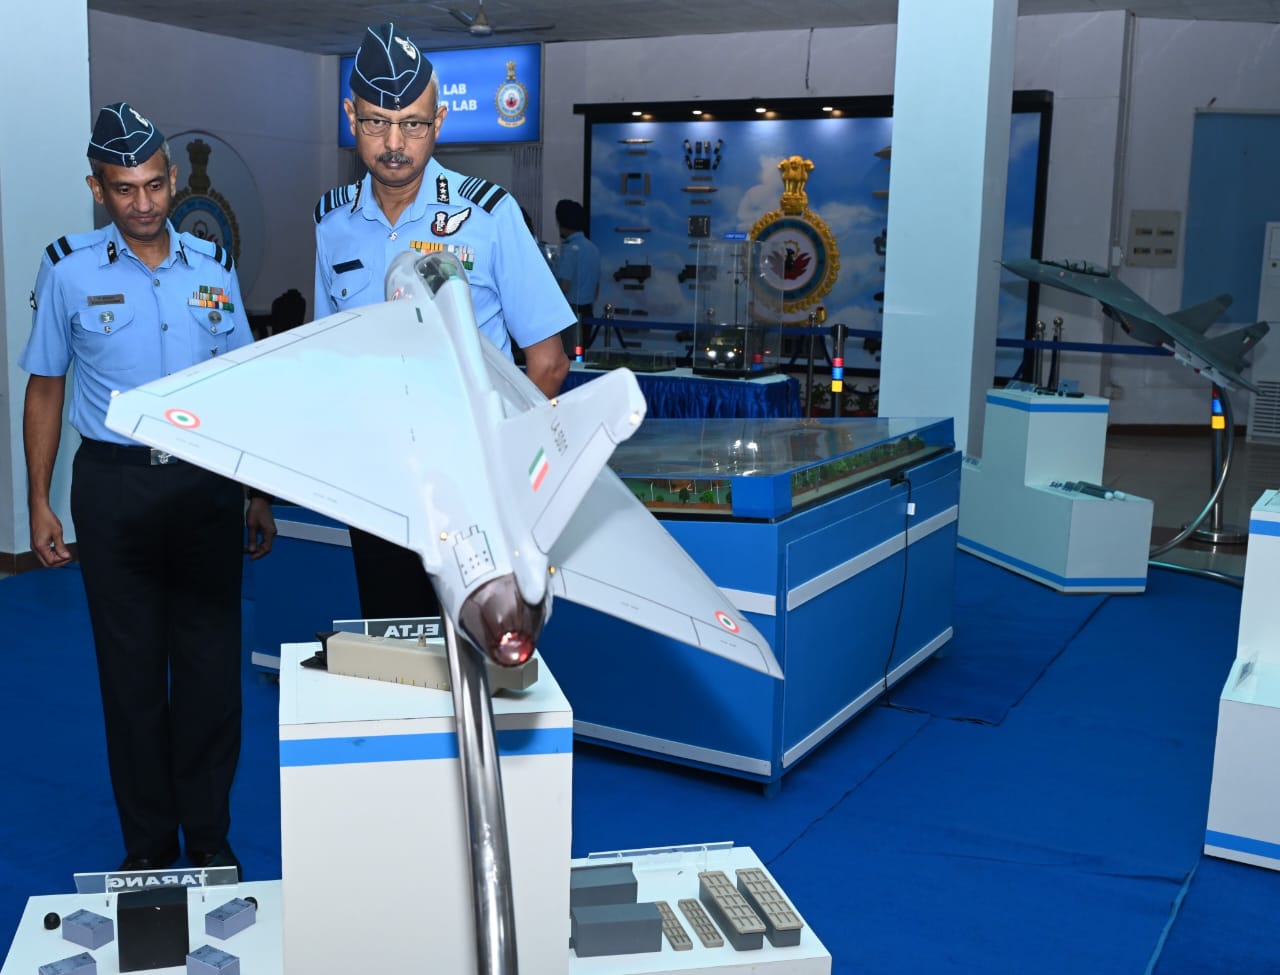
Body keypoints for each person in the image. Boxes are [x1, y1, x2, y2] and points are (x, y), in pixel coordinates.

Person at [20, 102, 276, 873]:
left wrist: (256, 490)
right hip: (115, 491)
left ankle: (209, 840)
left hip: (204, 487)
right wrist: (38, 499)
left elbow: (242, 381)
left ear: (171, 179)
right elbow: (45, 388)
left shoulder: (212, 264)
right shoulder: (67, 269)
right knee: (130, 681)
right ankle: (149, 848)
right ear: (97, 188)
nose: (144, 203)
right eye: (125, 189)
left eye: (155, 185)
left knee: (210, 676)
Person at [314, 22, 572, 621]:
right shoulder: (332, 223)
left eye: (413, 124)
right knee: (392, 641)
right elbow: (331, 357)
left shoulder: (489, 216)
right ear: (351, 117)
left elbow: (549, 363)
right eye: (377, 122)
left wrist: (503, 474)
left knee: (484, 642)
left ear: (439, 123)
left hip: (475, 488)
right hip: (380, 487)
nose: (394, 142)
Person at [552, 199, 602, 356]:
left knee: (569, 357)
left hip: (570, 313)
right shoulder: (593, 248)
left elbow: (564, 285)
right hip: (587, 311)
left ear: (562, 223)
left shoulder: (569, 249)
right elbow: (596, 289)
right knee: (581, 356)